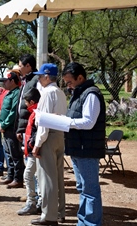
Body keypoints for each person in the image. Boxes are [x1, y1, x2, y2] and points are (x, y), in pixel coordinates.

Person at [62, 62, 105, 226]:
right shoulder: (79, 94)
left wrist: (67, 122)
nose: (68, 85)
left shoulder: (91, 94)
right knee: (82, 187)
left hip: (86, 149)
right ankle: (84, 221)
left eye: (69, 82)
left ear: (80, 78)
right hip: (78, 148)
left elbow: (88, 122)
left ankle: (91, 223)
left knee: (90, 188)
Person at [31, 63, 67, 225]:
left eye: (40, 76)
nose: (38, 78)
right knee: (58, 176)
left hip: (48, 136)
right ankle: (60, 212)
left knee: (47, 178)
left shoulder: (46, 93)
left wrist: (38, 144)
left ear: (47, 76)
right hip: (60, 134)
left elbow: (43, 122)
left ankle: (49, 216)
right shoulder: (61, 93)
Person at [0, 70, 24, 189]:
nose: (4, 84)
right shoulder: (8, 93)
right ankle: (11, 175)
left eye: (5, 81)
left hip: (11, 128)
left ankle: (18, 178)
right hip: (5, 128)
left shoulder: (16, 93)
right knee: (9, 153)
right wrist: (0, 123)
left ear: (12, 81)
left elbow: (13, 112)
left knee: (15, 154)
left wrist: (4, 124)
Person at [17, 88, 41, 215]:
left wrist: (31, 144)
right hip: (31, 150)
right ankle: (39, 202)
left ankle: (32, 202)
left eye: (26, 102)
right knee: (36, 176)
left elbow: (37, 132)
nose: (25, 105)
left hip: (34, 151)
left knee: (28, 176)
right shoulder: (34, 112)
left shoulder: (37, 113)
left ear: (31, 102)